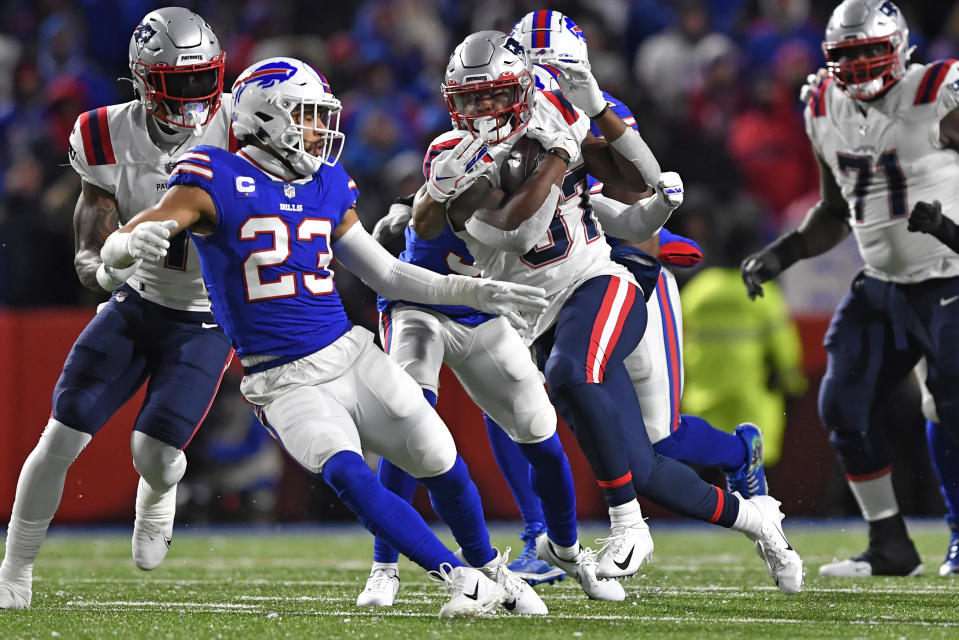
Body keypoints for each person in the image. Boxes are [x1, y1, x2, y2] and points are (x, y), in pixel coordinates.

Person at [96, 56, 552, 618]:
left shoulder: (328, 183)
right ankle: (459, 577)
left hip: (349, 351)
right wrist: (123, 250)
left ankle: (489, 568)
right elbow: (130, 234)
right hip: (282, 379)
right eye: (308, 115)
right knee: (344, 470)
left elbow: (385, 273)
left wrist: (476, 294)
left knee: (440, 457)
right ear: (267, 116)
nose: (320, 129)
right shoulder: (213, 175)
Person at [414, 30, 803, 594]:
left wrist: (595, 111)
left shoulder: (561, 116)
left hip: (605, 285)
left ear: (525, 85)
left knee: (572, 374)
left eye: (495, 94)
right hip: (540, 317)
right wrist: (560, 155)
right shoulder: (453, 156)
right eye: (471, 99)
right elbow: (516, 229)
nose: (483, 110)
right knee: (646, 466)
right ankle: (758, 520)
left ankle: (626, 526)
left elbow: (639, 184)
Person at [0, 8, 234, 610]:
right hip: (136, 303)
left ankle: (158, 491)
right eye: (179, 81)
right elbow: (87, 242)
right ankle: (14, 570)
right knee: (61, 434)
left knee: (155, 454)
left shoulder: (242, 124)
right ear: (142, 78)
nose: (196, 95)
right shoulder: (104, 133)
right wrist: (105, 267)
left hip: (208, 316)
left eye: (204, 77)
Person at [741, 0, 959, 578]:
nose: (860, 68)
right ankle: (891, 544)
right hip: (883, 284)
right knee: (843, 403)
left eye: (870, 53)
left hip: (949, 276)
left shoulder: (938, 89)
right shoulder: (821, 103)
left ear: (899, 46)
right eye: (848, 56)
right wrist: (782, 253)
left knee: (951, 406)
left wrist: (948, 226)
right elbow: (836, 210)